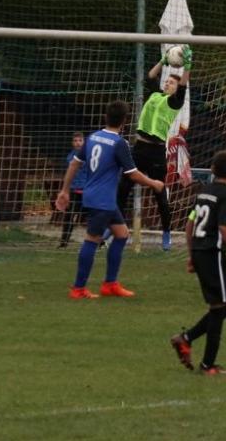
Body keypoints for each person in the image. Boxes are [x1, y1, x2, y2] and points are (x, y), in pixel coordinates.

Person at [56, 100, 165, 299]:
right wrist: (154, 183)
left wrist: (64, 191)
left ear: (105, 117)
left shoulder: (93, 137)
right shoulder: (119, 143)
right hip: (102, 200)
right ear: (125, 121)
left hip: (98, 197)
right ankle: (78, 289)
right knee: (92, 239)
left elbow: (74, 164)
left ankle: (110, 284)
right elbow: (133, 174)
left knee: (122, 234)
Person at [170, 150, 226, 375]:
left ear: (212, 170)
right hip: (213, 253)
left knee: (225, 306)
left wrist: (191, 254)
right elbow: (223, 227)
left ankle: (186, 338)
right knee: (219, 307)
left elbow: (189, 224)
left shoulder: (204, 192)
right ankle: (208, 365)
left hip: (200, 252)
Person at [126, 46, 192, 251]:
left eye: (171, 82)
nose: (167, 83)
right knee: (123, 187)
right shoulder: (155, 95)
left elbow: (183, 86)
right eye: (167, 81)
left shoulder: (174, 102)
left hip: (156, 152)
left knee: (160, 193)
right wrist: (163, 61)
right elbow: (151, 75)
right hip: (139, 149)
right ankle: (113, 228)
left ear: (176, 88)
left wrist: (187, 66)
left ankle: (166, 233)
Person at [57, 132, 87, 248]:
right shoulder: (70, 158)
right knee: (69, 216)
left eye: (80, 140)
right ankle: (64, 242)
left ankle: (100, 241)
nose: (78, 143)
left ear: (84, 142)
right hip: (74, 191)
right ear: (72, 143)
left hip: (87, 191)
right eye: (75, 141)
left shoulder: (90, 156)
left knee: (93, 216)